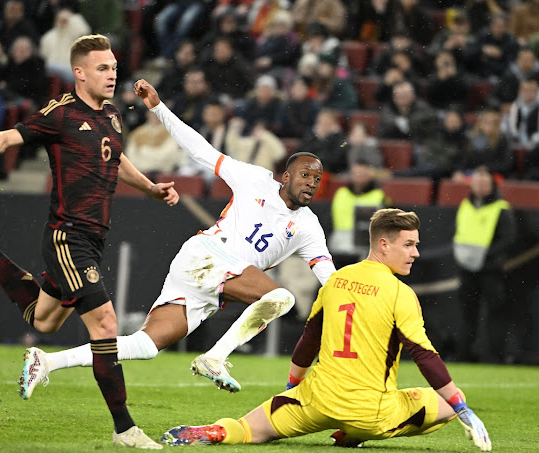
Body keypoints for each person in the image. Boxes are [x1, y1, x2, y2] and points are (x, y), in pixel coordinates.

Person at [0, 35, 179, 450]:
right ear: (79, 73)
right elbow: (11, 136)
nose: (112, 73)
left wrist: (151, 188)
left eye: (114, 66)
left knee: (44, 320)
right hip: (68, 237)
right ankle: (126, 430)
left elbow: (116, 161)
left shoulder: (114, 116)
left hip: (93, 239)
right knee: (106, 325)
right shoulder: (62, 113)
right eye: (102, 68)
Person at [20, 78, 336, 398]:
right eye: (305, 174)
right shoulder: (255, 180)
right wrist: (158, 107)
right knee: (282, 298)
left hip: (211, 286)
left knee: (145, 345)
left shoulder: (309, 228)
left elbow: (332, 280)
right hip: (208, 254)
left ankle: (46, 361)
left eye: (317, 178)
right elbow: (201, 150)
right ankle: (215, 357)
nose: (311, 182)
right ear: (286, 176)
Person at [159, 208, 492, 453]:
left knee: (248, 429)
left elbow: (308, 341)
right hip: (371, 412)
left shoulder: (336, 281)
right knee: (447, 404)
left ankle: (215, 432)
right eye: (408, 245)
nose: (416, 253)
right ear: (384, 245)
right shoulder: (400, 292)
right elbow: (423, 355)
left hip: (315, 400)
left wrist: (292, 390)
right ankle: (353, 434)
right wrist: (462, 408)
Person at [453, 167, 517, 363]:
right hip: (467, 268)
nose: (480, 187)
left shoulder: (501, 208)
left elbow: (508, 238)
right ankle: (464, 355)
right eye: (477, 182)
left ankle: (494, 356)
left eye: (484, 183)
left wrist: (485, 256)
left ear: (492, 185)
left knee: (495, 314)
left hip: (491, 269)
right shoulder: (465, 205)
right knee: (467, 314)